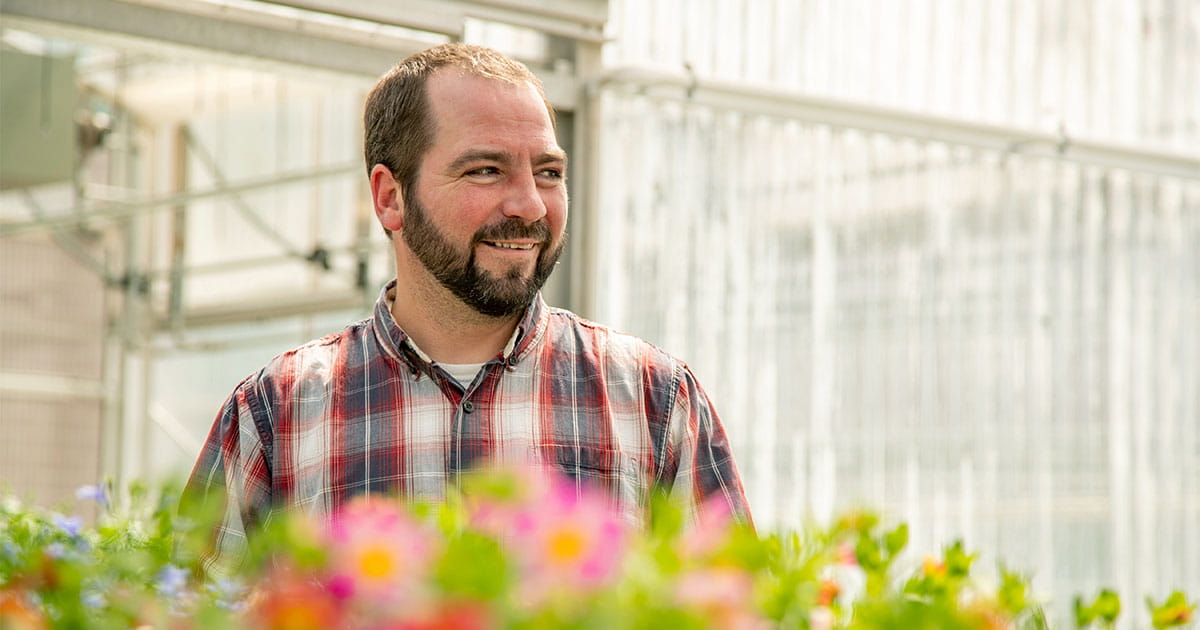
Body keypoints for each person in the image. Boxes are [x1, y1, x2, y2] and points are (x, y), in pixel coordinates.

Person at [185, 43, 750, 573]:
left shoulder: (654, 400)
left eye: (549, 173)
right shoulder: (275, 412)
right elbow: (181, 609)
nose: (530, 204)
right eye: (486, 169)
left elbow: (734, 608)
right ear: (390, 197)